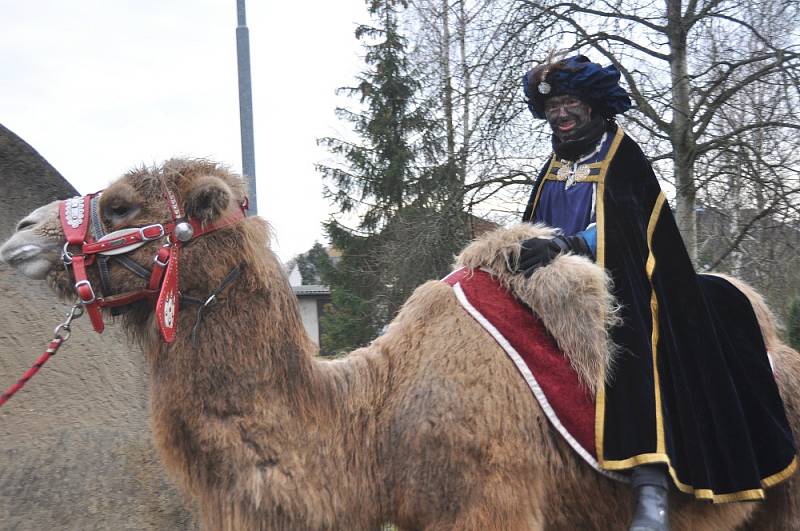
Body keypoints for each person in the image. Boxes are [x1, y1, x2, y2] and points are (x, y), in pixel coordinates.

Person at [516, 55, 797, 531]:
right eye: (554, 106)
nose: (560, 114)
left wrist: (568, 243)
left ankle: (651, 486)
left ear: (593, 106)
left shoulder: (621, 156)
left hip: (631, 283)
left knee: (629, 341)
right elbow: (532, 223)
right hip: (556, 290)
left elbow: (627, 232)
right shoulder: (554, 165)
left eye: (570, 103)